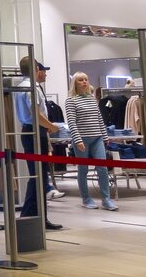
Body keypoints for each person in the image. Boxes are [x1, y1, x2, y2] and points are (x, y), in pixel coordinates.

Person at [14, 56, 62, 230]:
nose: (45, 74)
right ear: (35, 69)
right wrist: (51, 126)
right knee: (39, 176)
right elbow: (35, 113)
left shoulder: (22, 86)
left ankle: (35, 216)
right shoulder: (30, 88)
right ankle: (32, 216)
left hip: (31, 131)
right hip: (34, 132)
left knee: (38, 176)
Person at [66, 72, 118, 212]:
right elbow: (72, 122)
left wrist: (105, 136)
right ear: (75, 83)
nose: (84, 82)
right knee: (83, 169)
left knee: (102, 168)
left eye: (86, 79)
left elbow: (99, 119)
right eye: (80, 80)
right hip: (82, 139)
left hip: (97, 138)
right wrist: (77, 139)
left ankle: (106, 199)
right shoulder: (70, 100)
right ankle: (86, 198)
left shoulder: (91, 98)